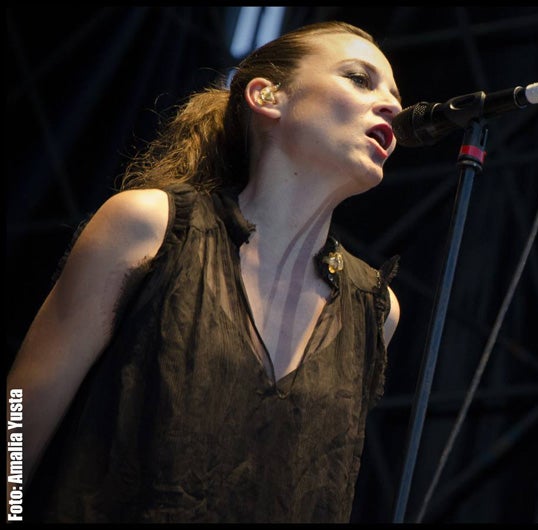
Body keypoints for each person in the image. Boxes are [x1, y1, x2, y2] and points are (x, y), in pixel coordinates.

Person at [7, 20, 403, 523]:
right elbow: (19, 416)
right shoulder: (148, 225)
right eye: (360, 79)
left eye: (394, 92)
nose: (392, 104)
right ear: (267, 97)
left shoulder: (375, 309)